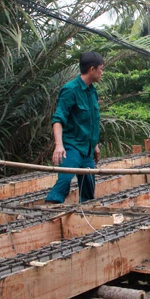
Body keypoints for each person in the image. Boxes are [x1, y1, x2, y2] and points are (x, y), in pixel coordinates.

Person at [45, 51, 104, 204]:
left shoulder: (92, 91)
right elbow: (58, 119)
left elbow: (91, 121)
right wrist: (59, 146)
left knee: (88, 192)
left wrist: (95, 145)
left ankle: (85, 221)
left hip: (87, 150)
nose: (101, 73)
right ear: (92, 69)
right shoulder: (70, 90)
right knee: (63, 182)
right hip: (72, 146)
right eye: (101, 69)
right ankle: (48, 213)